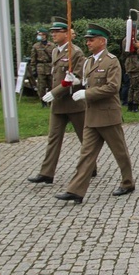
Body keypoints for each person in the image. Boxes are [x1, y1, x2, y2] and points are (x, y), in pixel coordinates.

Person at [55, 23, 135, 203]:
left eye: (91, 40)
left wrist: (87, 93)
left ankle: (128, 182)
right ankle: (75, 190)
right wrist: (75, 82)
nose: (88, 43)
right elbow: (86, 83)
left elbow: (112, 87)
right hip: (91, 116)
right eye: (87, 40)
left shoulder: (111, 61)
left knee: (119, 152)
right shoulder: (88, 62)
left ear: (102, 41)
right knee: (86, 154)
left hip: (107, 115)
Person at [27, 17, 87, 185]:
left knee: (85, 139)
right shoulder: (55, 51)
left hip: (73, 103)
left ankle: (90, 165)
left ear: (67, 34)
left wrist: (54, 92)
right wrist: (53, 93)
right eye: (52, 31)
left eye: (57, 32)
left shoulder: (75, 52)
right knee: (53, 138)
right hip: (58, 104)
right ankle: (47, 173)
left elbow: (78, 77)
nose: (52, 34)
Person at [29, 27, 55, 107]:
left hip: (50, 67)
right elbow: (33, 59)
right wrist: (33, 69)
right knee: (41, 86)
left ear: (45, 35)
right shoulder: (36, 46)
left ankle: (51, 102)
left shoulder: (52, 45)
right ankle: (43, 102)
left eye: (40, 34)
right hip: (40, 68)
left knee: (52, 85)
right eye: (38, 34)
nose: (39, 36)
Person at [121, 24, 139, 112]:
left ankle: (130, 104)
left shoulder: (126, 39)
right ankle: (135, 105)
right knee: (136, 86)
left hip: (130, 64)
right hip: (133, 65)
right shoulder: (130, 40)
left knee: (131, 86)